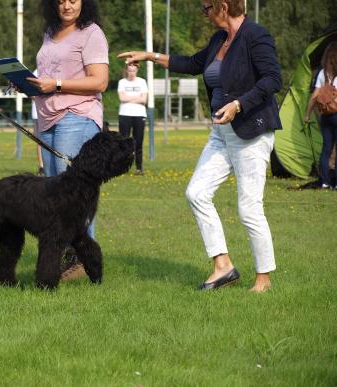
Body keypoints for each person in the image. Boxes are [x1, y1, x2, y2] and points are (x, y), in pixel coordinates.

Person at [118, 0, 282, 293]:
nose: (204, 14)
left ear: (223, 5)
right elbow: (193, 64)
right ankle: (223, 265)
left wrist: (239, 104)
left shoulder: (256, 35)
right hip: (221, 134)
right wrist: (149, 56)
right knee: (197, 192)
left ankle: (264, 278)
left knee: (248, 208)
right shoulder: (220, 39)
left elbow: (273, 79)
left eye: (206, 7)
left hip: (251, 133)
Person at [27, 0, 109, 281]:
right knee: (55, 195)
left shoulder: (91, 33)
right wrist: (28, 83)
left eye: (73, 0)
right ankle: (63, 258)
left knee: (74, 197)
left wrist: (57, 85)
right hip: (47, 118)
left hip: (77, 116)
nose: (66, 5)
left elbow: (100, 81)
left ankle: (81, 261)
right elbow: (47, 75)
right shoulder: (50, 31)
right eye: (60, 0)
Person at [304, 42, 337, 189]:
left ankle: (324, 182)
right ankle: (335, 184)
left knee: (326, 148)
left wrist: (307, 114)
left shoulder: (322, 73)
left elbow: (314, 96)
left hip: (325, 116)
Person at [117, 62, 148, 175]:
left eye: (133, 70)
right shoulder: (122, 82)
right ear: (126, 70)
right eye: (130, 70)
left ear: (137, 70)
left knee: (138, 142)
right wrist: (137, 97)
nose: (131, 73)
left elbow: (144, 99)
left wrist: (128, 98)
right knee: (123, 142)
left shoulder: (142, 82)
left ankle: (139, 168)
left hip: (139, 115)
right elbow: (122, 98)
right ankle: (122, 168)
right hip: (125, 114)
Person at [31, 69, 44, 176]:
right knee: (40, 142)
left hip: (52, 113)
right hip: (38, 114)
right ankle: (42, 166)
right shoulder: (37, 72)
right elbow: (31, 93)